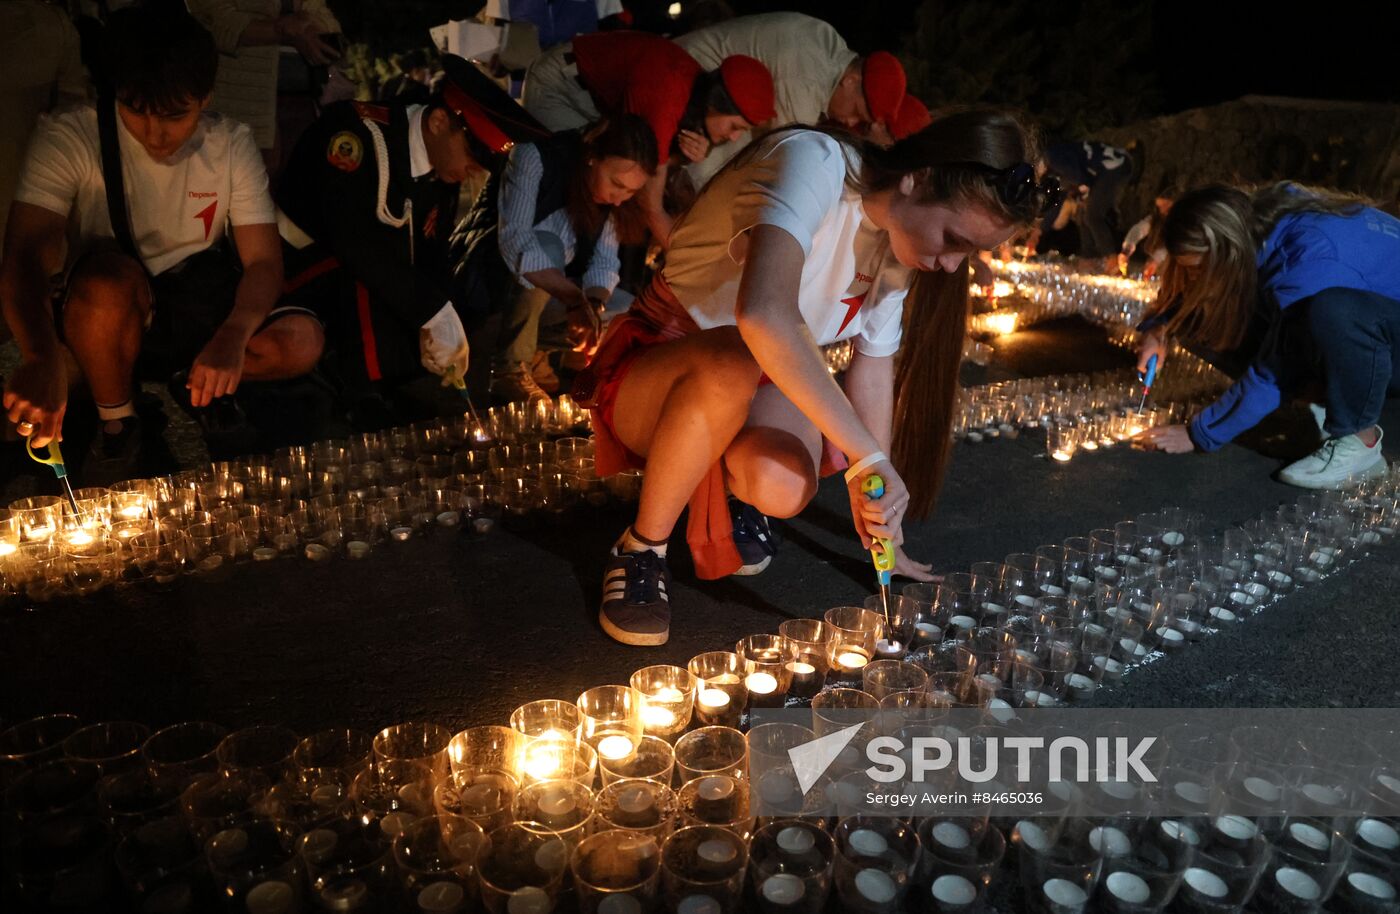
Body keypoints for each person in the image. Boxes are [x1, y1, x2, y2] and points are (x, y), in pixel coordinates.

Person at [573, 109, 1059, 645]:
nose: (951, 265)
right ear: (916, 178)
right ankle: (642, 548)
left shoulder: (899, 252)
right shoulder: (816, 162)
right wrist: (864, 456)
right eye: (953, 239)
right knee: (734, 357)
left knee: (782, 485)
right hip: (666, 360)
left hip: (759, 376)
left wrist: (881, 508)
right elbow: (763, 314)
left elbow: (874, 367)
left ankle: (718, 485)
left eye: (969, 252)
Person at [1, 7, 324, 473]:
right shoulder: (70, 136)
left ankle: (188, 383)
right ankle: (120, 427)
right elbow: (25, 254)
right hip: (102, 311)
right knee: (98, 301)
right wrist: (39, 356)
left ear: (205, 96)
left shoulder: (230, 143)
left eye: (175, 115)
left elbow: (263, 264)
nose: (155, 134)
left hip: (191, 309)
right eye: (135, 110)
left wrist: (232, 338)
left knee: (300, 341)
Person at [276, 54, 549, 428]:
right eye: (473, 154)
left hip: (357, 268)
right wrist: (431, 310)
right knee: (383, 277)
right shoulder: (355, 133)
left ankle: (391, 386)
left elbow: (431, 250)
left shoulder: (441, 168)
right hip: (295, 265)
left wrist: (446, 314)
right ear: (439, 122)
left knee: (441, 292)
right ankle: (359, 393)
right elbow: (352, 239)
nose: (474, 172)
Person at [1136, 183, 1400, 489]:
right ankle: (1321, 395)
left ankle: (1360, 442)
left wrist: (1200, 434)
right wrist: (1159, 327)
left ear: (1226, 250)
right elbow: (1192, 292)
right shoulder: (1261, 218)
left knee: (1333, 310)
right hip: (1378, 326)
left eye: (1197, 269)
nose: (1194, 279)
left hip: (1380, 335)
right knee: (1203, 317)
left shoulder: (1311, 261)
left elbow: (1275, 368)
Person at [520, 30, 774, 244]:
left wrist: (687, 156)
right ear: (717, 103)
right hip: (562, 88)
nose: (734, 138)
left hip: (595, 101)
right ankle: (531, 257)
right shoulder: (666, 93)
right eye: (734, 126)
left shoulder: (695, 97)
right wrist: (683, 263)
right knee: (574, 177)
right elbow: (650, 204)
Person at [477, 115, 658, 403]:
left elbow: (605, 264)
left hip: (557, 299)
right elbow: (517, 243)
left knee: (624, 310)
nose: (619, 198)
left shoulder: (611, 203)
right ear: (591, 157)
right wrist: (575, 302)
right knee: (546, 248)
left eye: (631, 192)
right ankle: (509, 369)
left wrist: (593, 308)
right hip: (497, 291)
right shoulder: (533, 157)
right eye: (616, 183)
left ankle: (556, 356)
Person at [676, 12, 908, 183]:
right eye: (857, 112)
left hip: (705, 85)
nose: (851, 122)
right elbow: (781, 156)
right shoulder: (806, 83)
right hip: (689, 81)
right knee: (721, 179)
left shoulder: (829, 45)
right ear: (852, 80)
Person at [187, 0, 343, 173]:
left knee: (300, 176)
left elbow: (320, 13)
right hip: (244, 97)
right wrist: (282, 30)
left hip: (302, 99)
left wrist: (312, 29)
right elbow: (216, 19)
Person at [1040, 139, 1133, 259]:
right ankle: (1088, 257)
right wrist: (1042, 228)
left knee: (1092, 215)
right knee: (1083, 214)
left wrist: (1084, 191)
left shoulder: (1053, 159)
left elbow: (1079, 178)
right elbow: (1060, 195)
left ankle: (1111, 259)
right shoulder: (1055, 159)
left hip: (1114, 167)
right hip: (1106, 168)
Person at [1118, 181, 1175, 278]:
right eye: (1160, 207)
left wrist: (1156, 260)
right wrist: (1127, 249)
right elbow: (1139, 230)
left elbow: (1174, 242)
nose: (1163, 211)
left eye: (1166, 206)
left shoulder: (1182, 221)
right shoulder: (1157, 218)